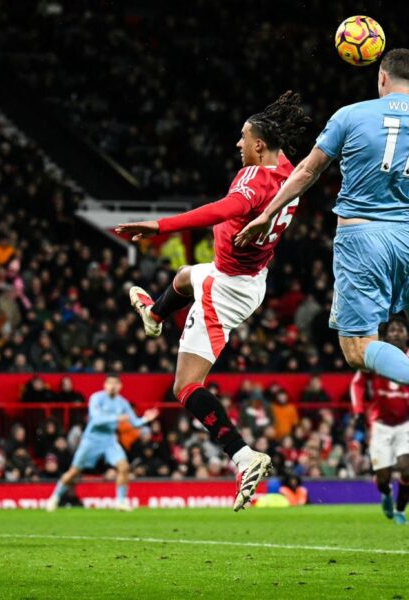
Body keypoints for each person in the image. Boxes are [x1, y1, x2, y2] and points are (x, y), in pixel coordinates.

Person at [116, 92, 310, 511]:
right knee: (184, 276)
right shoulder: (289, 172)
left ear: (259, 144)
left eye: (243, 138)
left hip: (226, 287)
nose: (237, 144)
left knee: (184, 386)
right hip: (251, 276)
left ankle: (244, 456)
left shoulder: (253, 180)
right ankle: (154, 315)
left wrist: (159, 226)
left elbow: (219, 210)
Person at [237, 49, 409, 387]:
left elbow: (308, 171)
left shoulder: (351, 115)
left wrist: (269, 213)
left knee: (358, 347)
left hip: (364, 238)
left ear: (382, 78)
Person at [46, 374, 158, 511]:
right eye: (110, 383)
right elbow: (96, 419)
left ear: (120, 386)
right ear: (105, 385)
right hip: (92, 439)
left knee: (124, 467)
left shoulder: (122, 402)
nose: (112, 387)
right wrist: (117, 417)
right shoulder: (96, 398)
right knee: (74, 471)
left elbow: (134, 422)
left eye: (115, 384)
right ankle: (54, 497)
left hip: (109, 439)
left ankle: (121, 501)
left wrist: (145, 419)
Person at [351, 318, 409, 525]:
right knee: (383, 478)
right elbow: (357, 384)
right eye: (392, 330)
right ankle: (386, 493)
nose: (395, 333)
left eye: (400, 329)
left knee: (407, 469)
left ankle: (400, 510)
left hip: (405, 424)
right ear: (386, 335)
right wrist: (358, 413)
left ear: (406, 335)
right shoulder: (376, 357)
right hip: (380, 425)